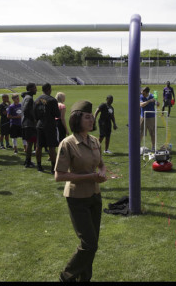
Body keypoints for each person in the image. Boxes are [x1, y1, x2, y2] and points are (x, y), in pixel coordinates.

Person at [54, 100, 107, 282]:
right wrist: (89, 177)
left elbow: (101, 164)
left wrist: (102, 172)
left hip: (95, 196)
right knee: (89, 244)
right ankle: (66, 276)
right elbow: (59, 176)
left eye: (92, 116)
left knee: (92, 245)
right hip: (77, 198)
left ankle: (85, 279)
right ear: (77, 119)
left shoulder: (94, 141)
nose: (92, 119)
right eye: (87, 117)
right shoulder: (68, 144)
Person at [33, 83, 61, 173]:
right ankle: (53, 168)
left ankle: (39, 166)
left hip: (39, 124)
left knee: (39, 146)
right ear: (49, 89)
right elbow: (57, 114)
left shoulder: (36, 100)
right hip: (49, 125)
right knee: (52, 147)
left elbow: (35, 114)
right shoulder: (52, 100)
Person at [21, 83, 37, 168]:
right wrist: (33, 119)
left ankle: (27, 161)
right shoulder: (29, 98)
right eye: (35, 88)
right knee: (30, 143)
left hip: (26, 123)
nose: (36, 90)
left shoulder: (25, 97)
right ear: (30, 89)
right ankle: (28, 162)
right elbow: (26, 110)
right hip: (29, 124)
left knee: (29, 143)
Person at [140, 87, 159, 152]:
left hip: (151, 117)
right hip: (143, 117)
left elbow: (157, 104)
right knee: (141, 133)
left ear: (147, 92)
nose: (142, 94)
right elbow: (141, 105)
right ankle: (138, 147)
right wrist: (149, 101)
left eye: (144, 93)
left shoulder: (153, 96)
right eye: (142, 93)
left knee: (152, 133)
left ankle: (153, 147)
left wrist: (156, 102)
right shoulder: (141, 97)